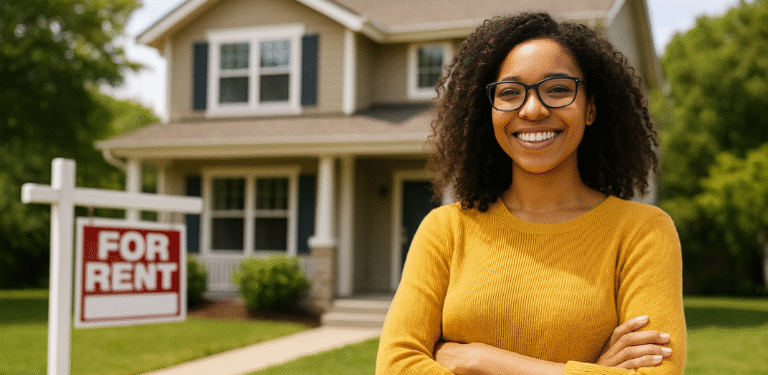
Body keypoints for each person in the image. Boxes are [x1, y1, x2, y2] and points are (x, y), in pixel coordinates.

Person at [375, 12, 686, 375]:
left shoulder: (642, 232)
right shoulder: (445, 230)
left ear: (590, 108)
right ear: (488, 111)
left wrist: (479, 359)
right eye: (509, 92)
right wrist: (589, 370)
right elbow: (395, 368)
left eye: (558, 89)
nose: (533, 109)